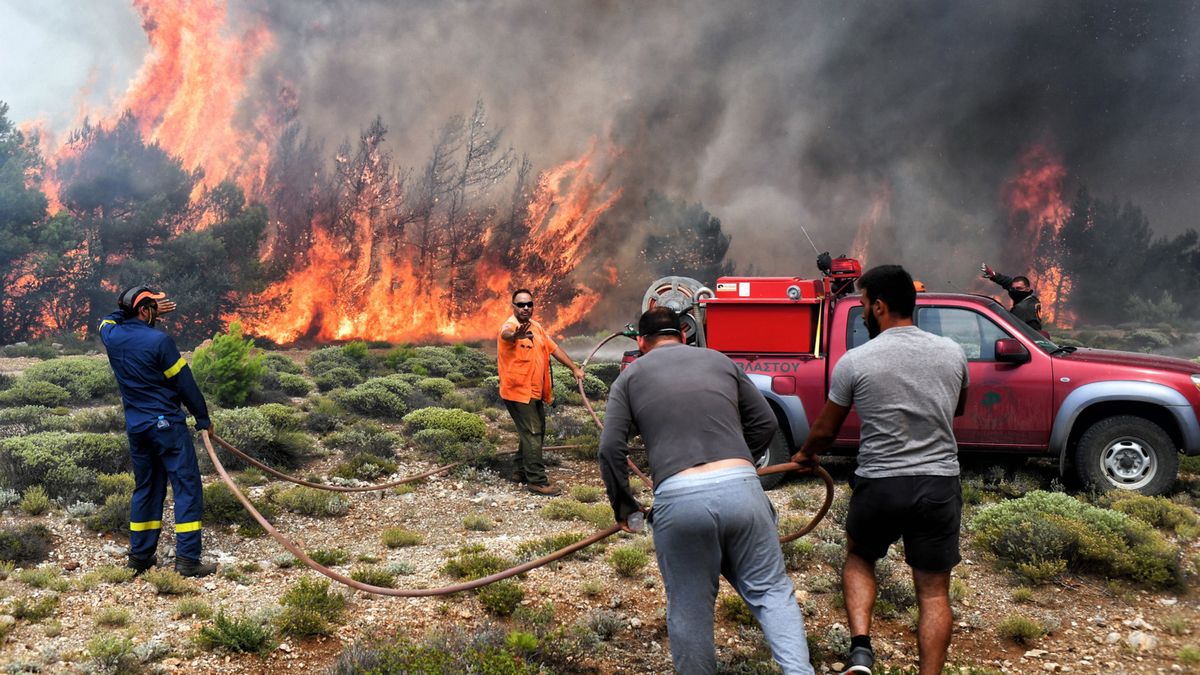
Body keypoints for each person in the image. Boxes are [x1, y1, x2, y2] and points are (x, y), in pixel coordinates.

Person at [599, 307, 814, 675]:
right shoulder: (720, 361)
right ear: (683, 336)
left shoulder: (630, 377)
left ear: (641, 342)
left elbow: (610, 449)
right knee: (772, 593)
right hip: (743, 490)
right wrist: (739, 463)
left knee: (690, 607)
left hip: (679, 500)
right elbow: (764, 422)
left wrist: (626, 509)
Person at [795, 265, 968, 675]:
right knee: (933, 593)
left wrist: (805, 455)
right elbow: (957, 409)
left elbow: (826, 430)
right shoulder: (952, 352)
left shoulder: (856, 361)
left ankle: (860, 652)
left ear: (880, 305)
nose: (862, 313)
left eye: (863, 305)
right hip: (939, 483)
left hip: (881, 484)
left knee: (859, 557)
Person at [99, 286, 217, 578]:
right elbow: (184, 383)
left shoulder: (112, 337)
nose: (157, 315)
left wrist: (131, 306)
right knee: (186, 487)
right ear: (144, 311)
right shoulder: (160, 341)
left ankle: (140, 557)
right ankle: (188, 560)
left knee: (147, 488)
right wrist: (202, 418)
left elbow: (107, 320)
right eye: (153, 309)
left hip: (137, 428)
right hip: (166, 426)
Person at [497, 288, 585, 496]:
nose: (526, 308)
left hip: (535, 391)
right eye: (521, 304)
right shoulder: (510, 326)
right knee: (533, 432)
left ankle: (519, 470)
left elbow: (554, 350)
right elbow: (506, 334)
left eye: (529, 304)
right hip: (518, 392)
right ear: (513, 307)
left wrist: (574, 368)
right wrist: (516, 335)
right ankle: (536, 480)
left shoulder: (537, 328)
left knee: (534, 431)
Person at [980, 264, 1042, 330]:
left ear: (1027, 289)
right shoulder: (1033, 299)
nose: (1015, 291)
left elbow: (1010, 329)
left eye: (1019, 288)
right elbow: (1009, 282)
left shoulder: (1020, 308)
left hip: (1027, 337)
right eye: (1014, 288)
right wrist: (994, 275)